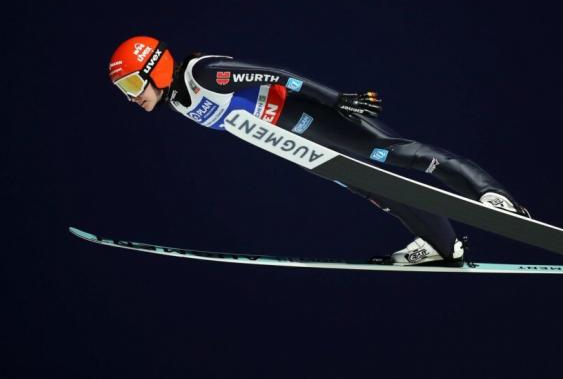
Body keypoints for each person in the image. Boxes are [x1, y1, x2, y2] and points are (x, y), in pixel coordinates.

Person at [108, 36, 530, 267]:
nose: (131, 98)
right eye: (123, 91)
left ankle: (493, 197)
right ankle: (444, 247)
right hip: (297, 143)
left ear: (154, 69)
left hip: (317, 118)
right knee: (378, 190)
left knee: (397, 155)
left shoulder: (203, 74)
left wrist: (336, 100)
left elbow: (279, 75)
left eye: (131, 86)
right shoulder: (179, 101)